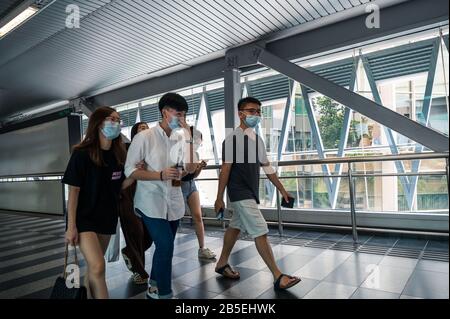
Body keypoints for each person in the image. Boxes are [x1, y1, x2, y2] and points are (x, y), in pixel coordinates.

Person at [214, 97, 302, 291]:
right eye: (251, 111)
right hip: (239, 192)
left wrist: (282, 189)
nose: (256, 115)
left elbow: (267, 167)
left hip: (250, 193)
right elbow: (225, 169)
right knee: (260, 230)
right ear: (240, 113)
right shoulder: (232, 139)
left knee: (235, 227)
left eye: (258, 112)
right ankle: (278, 276)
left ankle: (221, 263)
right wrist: (219, 197)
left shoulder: (257, 139)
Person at [63, 107, 141, 299]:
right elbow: (73, 192)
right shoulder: (81, 153)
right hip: (84, 219)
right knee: (98, 266)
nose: (115, 123)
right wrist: (71, 226)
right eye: (110, 119)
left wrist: (133, 174)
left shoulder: (118, 156)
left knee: (93, 268)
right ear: (98, 123)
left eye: (118, 119)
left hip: (106, 218)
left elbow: (119, 186)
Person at [125, 93, 197, 299]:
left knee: (165, 247)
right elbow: (130, 170)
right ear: (164, 112)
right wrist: (159, 174)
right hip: (150, 201)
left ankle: (154, 286)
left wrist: (189, 138)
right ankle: (164, 294)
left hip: (173, 201)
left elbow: (190, 168)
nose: (181, 119)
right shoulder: (144, 137)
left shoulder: (181, 138)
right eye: (178, 114)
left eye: (184, 115)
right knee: (165, 244)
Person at [119, 122, 153, 285]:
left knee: (148, 236)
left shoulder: (152, 151)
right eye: (141, 128)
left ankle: (129, 252)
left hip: (147, 198)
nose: (145, 130)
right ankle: (140, 272)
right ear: (134, 133)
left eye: (147, 128)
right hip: (127, 196)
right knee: (136, 232)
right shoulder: (126, 149)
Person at [181, 126, 216, 260]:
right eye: (196, 138)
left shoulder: (194, 153)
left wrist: (199, 167)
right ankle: (166, 247)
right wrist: (189, 169)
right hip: (179, 185)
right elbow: (179, 173)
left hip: (191, 184)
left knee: (198, 216)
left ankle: (202, 248)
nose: (199, 142)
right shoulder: (179, 151)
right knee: (174, 218)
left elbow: (193, 175)